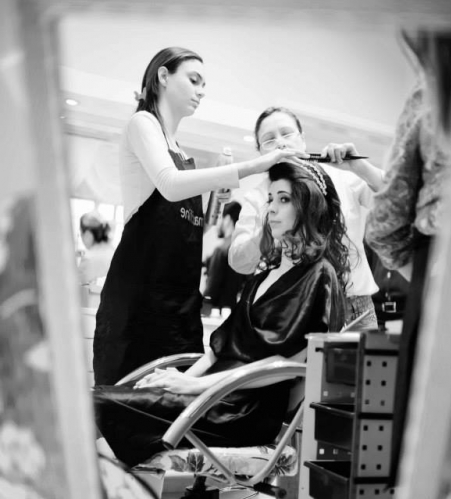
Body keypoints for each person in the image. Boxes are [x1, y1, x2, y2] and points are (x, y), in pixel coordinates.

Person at [93, 160, 350, 468]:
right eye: (271, 199)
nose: (271, 209)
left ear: (309, 206)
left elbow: (287, 365)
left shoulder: (319, 276)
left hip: (242, 411)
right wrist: (180, 379)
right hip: (212, 397)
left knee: (97, 405)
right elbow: (219, 350)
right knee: (101, 403)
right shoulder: (261, 277)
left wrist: (197, 387)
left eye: (284, 199)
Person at [93, 48, 305, 386]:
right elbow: (169, 184)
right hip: (139, 304)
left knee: (176, 402)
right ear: (163, 76)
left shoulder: (182, 154)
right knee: (128, 402)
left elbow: (192, 228)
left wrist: (217, 197)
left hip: (181, 308)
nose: (202, 91)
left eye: (204, 84)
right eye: (194, 80)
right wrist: (254, 166)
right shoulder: (142, 123)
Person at [364, 30, 451, 483]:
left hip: (444, 270)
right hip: (439, 269)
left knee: (435, 460)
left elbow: (386, 219)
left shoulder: (439, 86)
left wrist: (428, 278)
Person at [228, 106, 385, 330]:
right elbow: (239, 263)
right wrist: (270, 224)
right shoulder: (258, 197)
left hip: (354, 307)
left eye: (287, 133)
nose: (280, 143)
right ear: (260, 151)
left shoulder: (341, 176)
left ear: (302, 139)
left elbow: (396, 199)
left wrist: (359, 167)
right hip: (287, 309)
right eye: (269, 140)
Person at [204, 200, 245, 312]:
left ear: (227, 219)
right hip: (233, 312)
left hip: (216, 313)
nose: (217, 225)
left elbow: (211, 291)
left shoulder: (221, 251)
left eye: (219, 219)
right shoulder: (243, 250)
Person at [77, 211, 115, 285]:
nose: (81, 237)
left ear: (88, 234)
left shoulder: (88, 259)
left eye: (81, 234)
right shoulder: (113, 251)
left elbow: (76, 287)